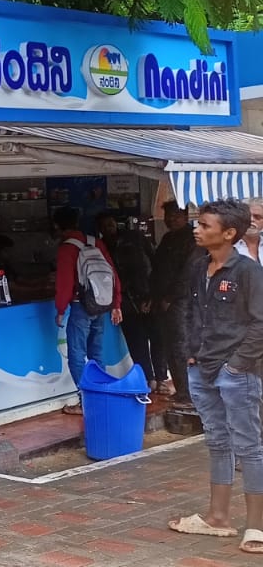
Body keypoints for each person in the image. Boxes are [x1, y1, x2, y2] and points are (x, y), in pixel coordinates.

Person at [166, 199, 263, 555]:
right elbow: (192, 311)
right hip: (203, 369)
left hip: (237, 372)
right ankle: (217, 518)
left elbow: (260, 323)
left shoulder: (248, 272)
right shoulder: (199, 266)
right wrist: (191, 352)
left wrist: (237, 365)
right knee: (218, 442)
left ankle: (256, 526)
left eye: (205, 225)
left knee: (249, 446)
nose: (197, 229)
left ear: (229, 233)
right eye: (198, 223)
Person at [53, 206, 123, 415]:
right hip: (101, 305)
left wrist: (60, 309)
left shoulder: (67, 248)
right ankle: (100, 396)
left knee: (76, 354)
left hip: (80, 305)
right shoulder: (95, 242)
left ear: (57, 226)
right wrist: (116, 303)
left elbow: (64, 283)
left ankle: (86, 400)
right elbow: (112, 274)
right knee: (96, 354)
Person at [99, 213, 159, 395]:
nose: (108, 228)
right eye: (104, 225)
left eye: (110, 223)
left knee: (157, 338)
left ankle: (160, 377)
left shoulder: (134, 237)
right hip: (124, 300)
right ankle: (148, 378)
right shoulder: (102, 246)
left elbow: (154, 263)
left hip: (146, 294)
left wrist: (153, 294)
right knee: (137, 342)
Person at [153, 201, 198, 401]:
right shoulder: (167, 238)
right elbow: (157, 269)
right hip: (163, 301)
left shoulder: (193, 239)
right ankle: (181, 391)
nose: (171, 219)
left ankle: (188, 393)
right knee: (169, 346)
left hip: (182, 302)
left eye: (176, 215)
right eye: (168, 215)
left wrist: (170, 298)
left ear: (186, 216)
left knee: (181, 347)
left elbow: (189, 273)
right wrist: (153, 296)